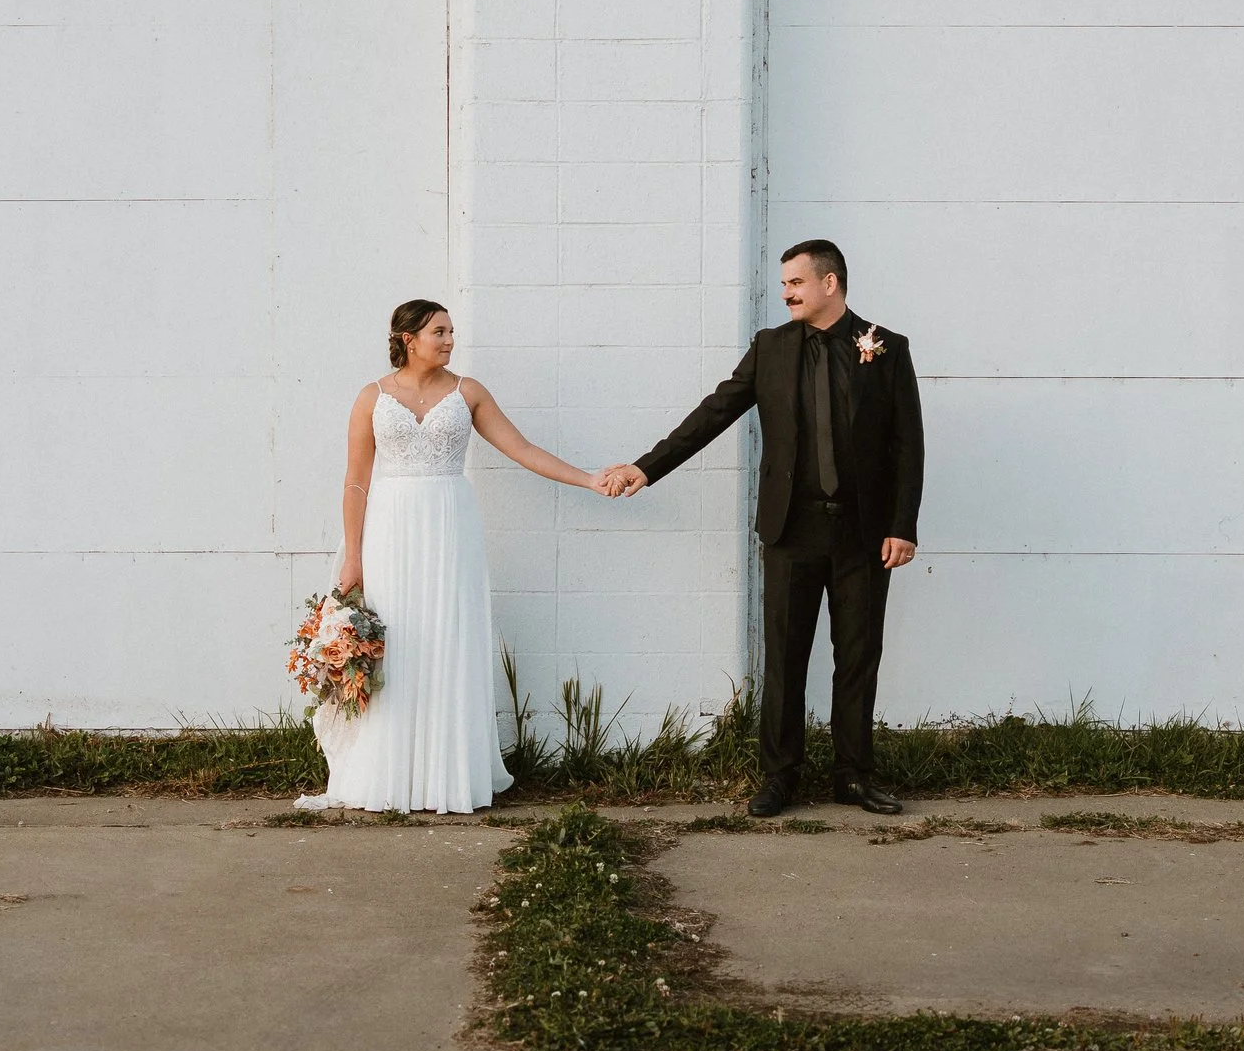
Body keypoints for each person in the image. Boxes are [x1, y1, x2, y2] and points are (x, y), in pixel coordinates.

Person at [599, 240, 924, 818]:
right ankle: (780, 779)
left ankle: (853, 776)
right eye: (784, 284)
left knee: (857, 656)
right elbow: (716, 410)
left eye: (796, 283)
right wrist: (646, 468)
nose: (786, 293)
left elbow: (908, 444)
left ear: (830, 283)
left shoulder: (886, 347)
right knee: (785, 658)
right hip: (791, 531)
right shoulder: (770, 348)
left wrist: (903, 525)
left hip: (863, 534)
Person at [296, 299, 609, 815]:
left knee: (448, 640)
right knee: (397, 647)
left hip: (449, 527)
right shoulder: (371, 397)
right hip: (391, 531)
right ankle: (390, 775)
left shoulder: (468, 393)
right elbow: (356, 481)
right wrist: (353, 557)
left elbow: (524, 450)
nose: (448, 340)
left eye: (450, 332)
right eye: (438, 332)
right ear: (407, 338)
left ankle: (447, 777)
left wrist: (589, 478)